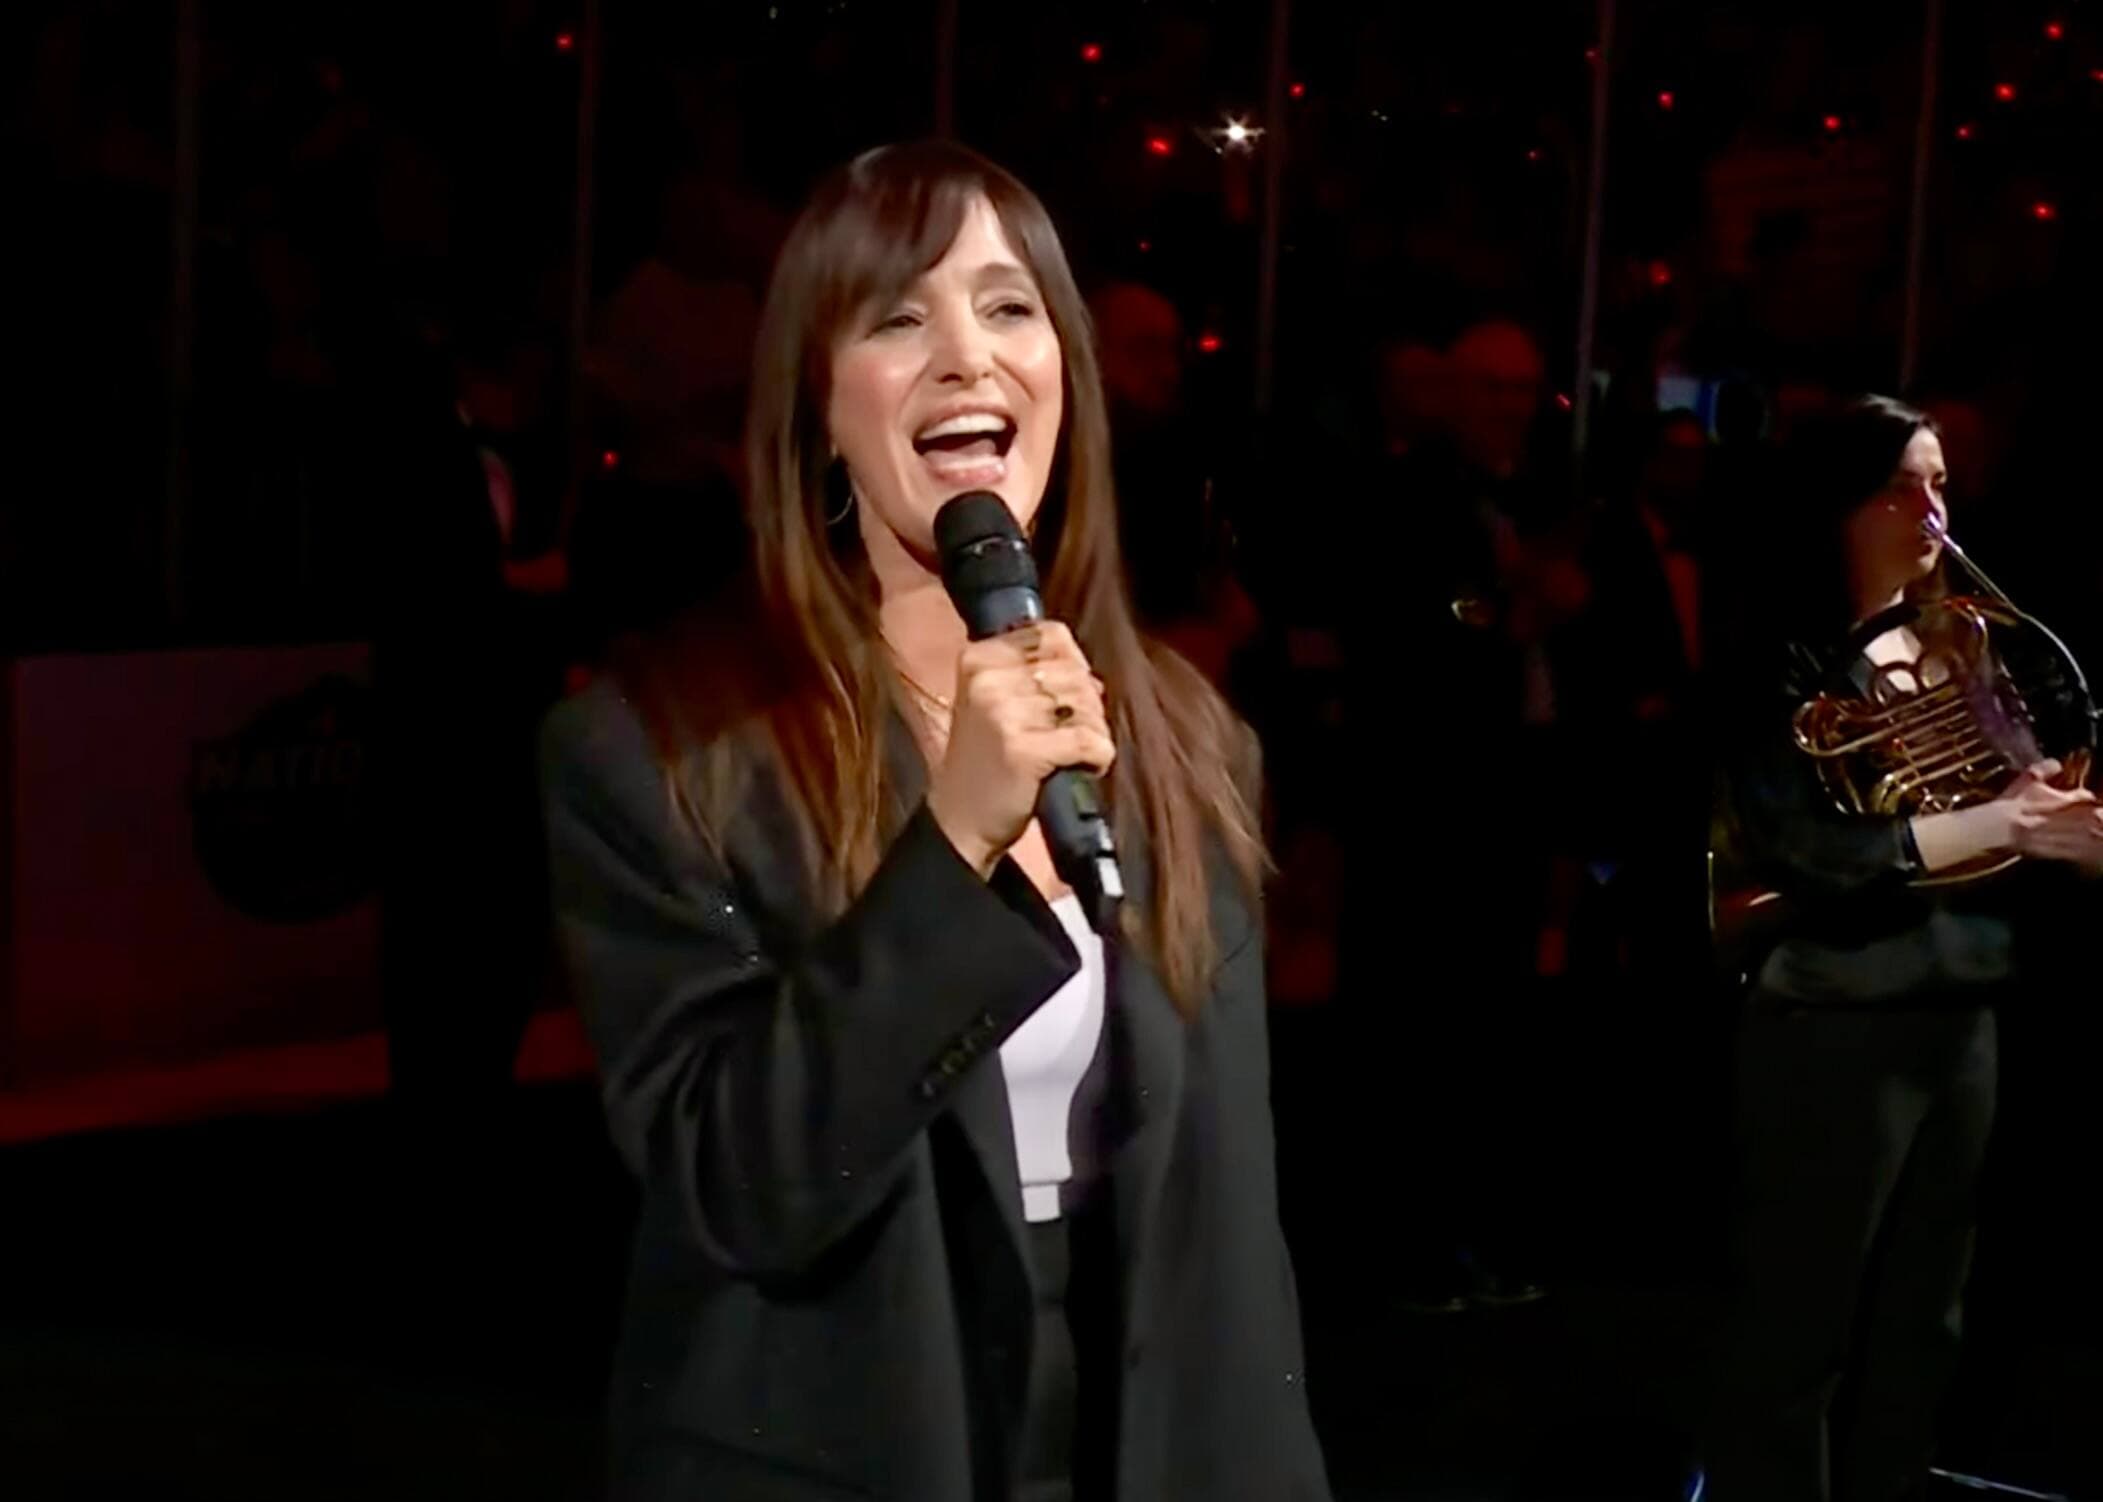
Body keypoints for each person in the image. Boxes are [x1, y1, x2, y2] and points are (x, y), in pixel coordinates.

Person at [541, 141, 1330, 1502]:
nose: (967, 356)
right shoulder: (658, 754)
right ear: (816, 403)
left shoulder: (1187, 739)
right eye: (898, 318)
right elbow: (741, 1185)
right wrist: (952, 845)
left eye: (1009, 307)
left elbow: (1233, 1234)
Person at [1704, 396, 2103, 1502]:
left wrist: (2064, 833)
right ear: (1839, 505)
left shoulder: (1961, 642)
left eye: (1941, 484)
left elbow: (2023, 794)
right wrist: (2002, 825)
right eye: (1902, 487)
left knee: (1926, 1317)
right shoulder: (1778, 660)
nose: (1933, 511)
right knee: (1802, 1322)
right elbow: (1806, 850)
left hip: (1962, 1002)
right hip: (1835, 1010)